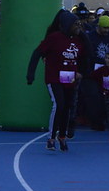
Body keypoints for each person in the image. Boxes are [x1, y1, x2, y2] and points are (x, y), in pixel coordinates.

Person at [27, 10, 91, 151]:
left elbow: (87, 55)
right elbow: (37, 53)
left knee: (67, 107)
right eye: (75, 24)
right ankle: (51, 138)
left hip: (70, 78)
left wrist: (81, 72)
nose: (78, 27)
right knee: (59, 105)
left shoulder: (79, 40)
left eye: (79, 24)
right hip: (54, 77)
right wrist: (30, 74)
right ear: (67, 25)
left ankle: (62, 136)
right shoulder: (54, 38)